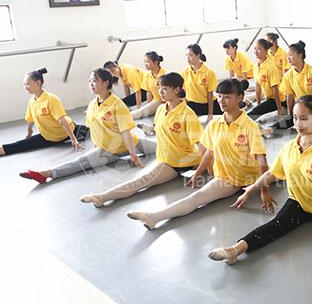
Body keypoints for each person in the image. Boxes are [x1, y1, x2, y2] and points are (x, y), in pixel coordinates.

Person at [207, 95, 312, 265]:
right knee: (276, 225)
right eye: (295, 118)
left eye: (304, 119)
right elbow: (272, 174)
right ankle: (235, 250)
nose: (298, 124)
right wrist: (250, 191)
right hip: (299, 202)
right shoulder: (289, 147)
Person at [127, 79, 274, 229]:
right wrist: (197, 173)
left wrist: (264, 190)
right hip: (228, 179)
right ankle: (153, 218)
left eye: (227, 97)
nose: (221, 100)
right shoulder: (215, 124)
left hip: (252, 177)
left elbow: (261, 160)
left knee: (277, 174)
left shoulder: (250, 127)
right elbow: (209, 152)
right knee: (197, 198)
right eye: (219, 96)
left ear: (239, 98)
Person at [80, 73, 204, 208]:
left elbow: (201, 145)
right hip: (166, 158)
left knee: (140, 182)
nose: (160, 92)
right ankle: (102, 197)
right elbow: (160, 129)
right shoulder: (161, 109)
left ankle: (101, 197)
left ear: (177, 90)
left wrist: (198, 173)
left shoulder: (188, 114)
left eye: (165, 88)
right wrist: (148, 128)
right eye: (159, 88)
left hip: (180, 162)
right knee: (140, 181)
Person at [19, 68, 155, 184]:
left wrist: (133, 155)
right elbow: (94, 130)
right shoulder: (92, 105)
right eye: (89, 81)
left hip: (130, 144)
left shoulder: (118, 105)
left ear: (106, 83)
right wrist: (97, 149)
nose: (91, 84)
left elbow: (126, 133)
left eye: (94, 81)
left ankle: (151, 131)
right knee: (81, 162)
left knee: (160, 149)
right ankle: (46, 174)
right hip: (108, 149)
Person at [0, 68, 85, 156]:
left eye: (28, 84)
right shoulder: (31, 101)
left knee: (90, 131)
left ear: (38, 83)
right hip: (48, 137)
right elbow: (30, 120)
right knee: (19, 145)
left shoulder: (51, 99)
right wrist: (29, 134)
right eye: (24, 84)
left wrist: (74, 139)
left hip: (66, 133)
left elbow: (63, 121)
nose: (25, 87)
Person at [266, 40, 312, 131]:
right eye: (287, 56)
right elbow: (289, 97)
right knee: (289, 120)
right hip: (300, 107)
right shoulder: (288, 75)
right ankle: (269, 130)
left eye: (291, 55)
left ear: (300, 55)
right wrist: (290, 116)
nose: (288, 58)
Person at [180, 44, 222, 119]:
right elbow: (184, 92)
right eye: (186, 55)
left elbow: (210, 95)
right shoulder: (184, 72)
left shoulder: (209, 73)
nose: (187, 58)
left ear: (198, 55)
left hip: (208, 105)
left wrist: (210, 113)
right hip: (192, 105)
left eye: (190, 55)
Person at [247, 39, 286, 118]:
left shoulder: (270, 67)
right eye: (255, 49)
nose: (256, 51)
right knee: (255, 111)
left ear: (266, 50)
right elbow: (258, 85)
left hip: (277, 99)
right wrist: (258, 103)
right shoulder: (256, 66)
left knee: (251, 114)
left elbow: (275, 90)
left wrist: (279, 109)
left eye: (259, 49)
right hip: (268, 97)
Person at [131, 51, 167, 120]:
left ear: (155, 62)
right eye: (144, 62)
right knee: (141, 111)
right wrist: (149, 105)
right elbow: (149, 92)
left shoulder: (165, 74)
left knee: (140, 112)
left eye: (147, 62)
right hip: (157, 100)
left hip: (165, 101)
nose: (145, 64)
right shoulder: (147, 74)